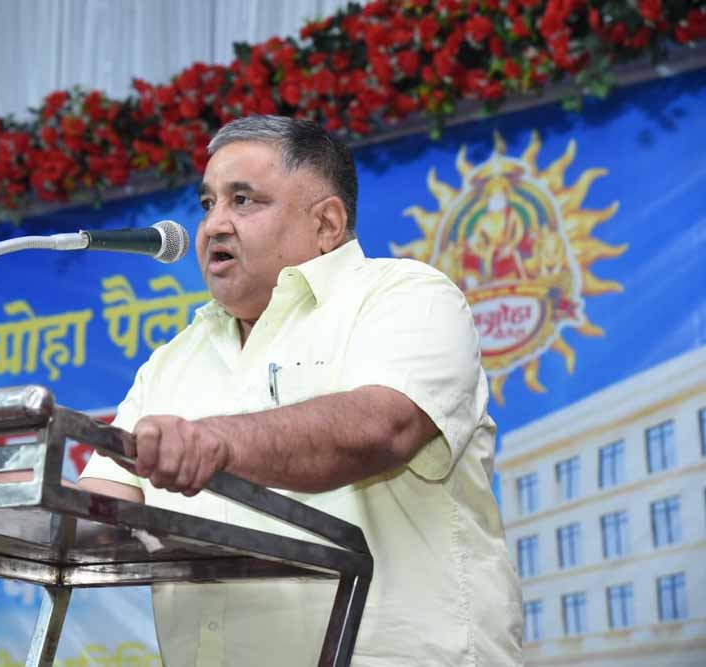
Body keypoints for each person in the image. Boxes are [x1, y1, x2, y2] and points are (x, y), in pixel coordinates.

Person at [79, 115, 523, 666]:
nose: (213, 225)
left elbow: (380, 427)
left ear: (327, 223)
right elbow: (99, 517)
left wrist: (217, 443)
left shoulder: (406, 297)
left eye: (243, 200)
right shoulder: (173, 360)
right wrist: (1, 489)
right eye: (207, 203)